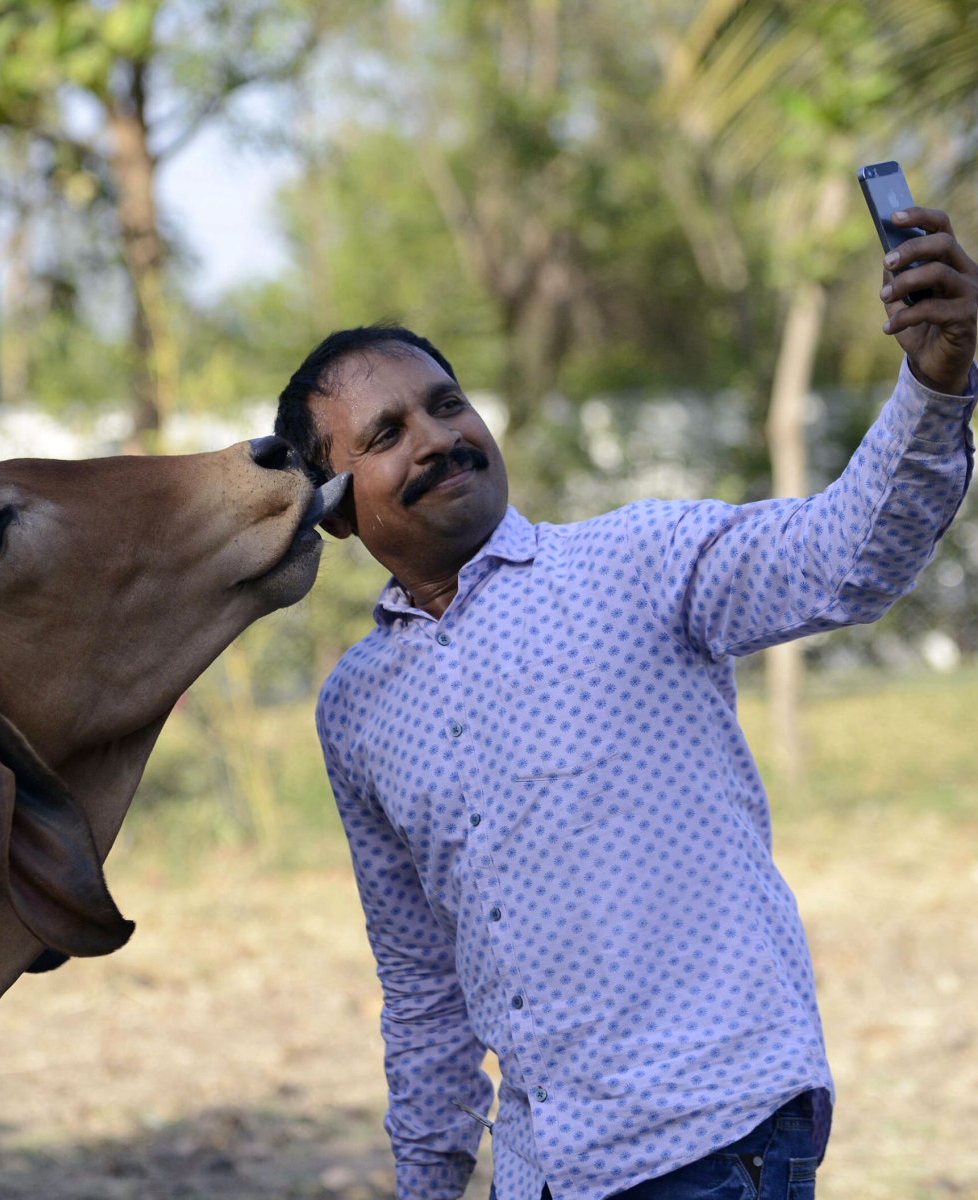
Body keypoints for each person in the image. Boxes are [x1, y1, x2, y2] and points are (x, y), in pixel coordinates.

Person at [273, 206, 978, 1200]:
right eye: (386, 434)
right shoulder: (356, 709)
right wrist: (426, 1180)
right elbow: (424, 988)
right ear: (334, 511)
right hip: (541, 1173)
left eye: (447, 404)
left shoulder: (636, 564)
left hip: (710, 1137)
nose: (437, 438)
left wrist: (933, 383)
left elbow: (844, 557)